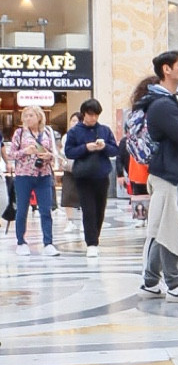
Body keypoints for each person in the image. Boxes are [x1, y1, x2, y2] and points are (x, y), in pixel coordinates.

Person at [134, 52, 178, 301]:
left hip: (169, 171)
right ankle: (174, 285)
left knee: (162, 228)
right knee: (170, 229)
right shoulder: (162, 105)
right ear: (167, 69)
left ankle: (151, 281)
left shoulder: (166, 101)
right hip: (166, 173)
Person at [61, 99, 119, 256]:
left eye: (96, 115)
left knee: (100, 209)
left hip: (102, 174)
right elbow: (69, 152)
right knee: (89, 209)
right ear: (84, 114)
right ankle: (91, 242)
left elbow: (115, 150)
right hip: (83, 176)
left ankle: (95, 238)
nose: (93, 118)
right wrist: (86, 148)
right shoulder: (74, 132)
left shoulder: (105, 130)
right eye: (90, 114)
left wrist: (104, 146)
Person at [7, 105, 60, 255]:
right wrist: (26, 151)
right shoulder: (20, 133)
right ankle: (21, 242)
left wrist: (48, 156)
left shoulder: (47, 132)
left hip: (43, 175)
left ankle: (48, 243)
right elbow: (12, 154)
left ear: (39, 117)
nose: (28, 118)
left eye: (31, 115)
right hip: (24, 175)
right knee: (22, 209)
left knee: (45, 210)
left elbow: (53, 153)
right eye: (26, 116)